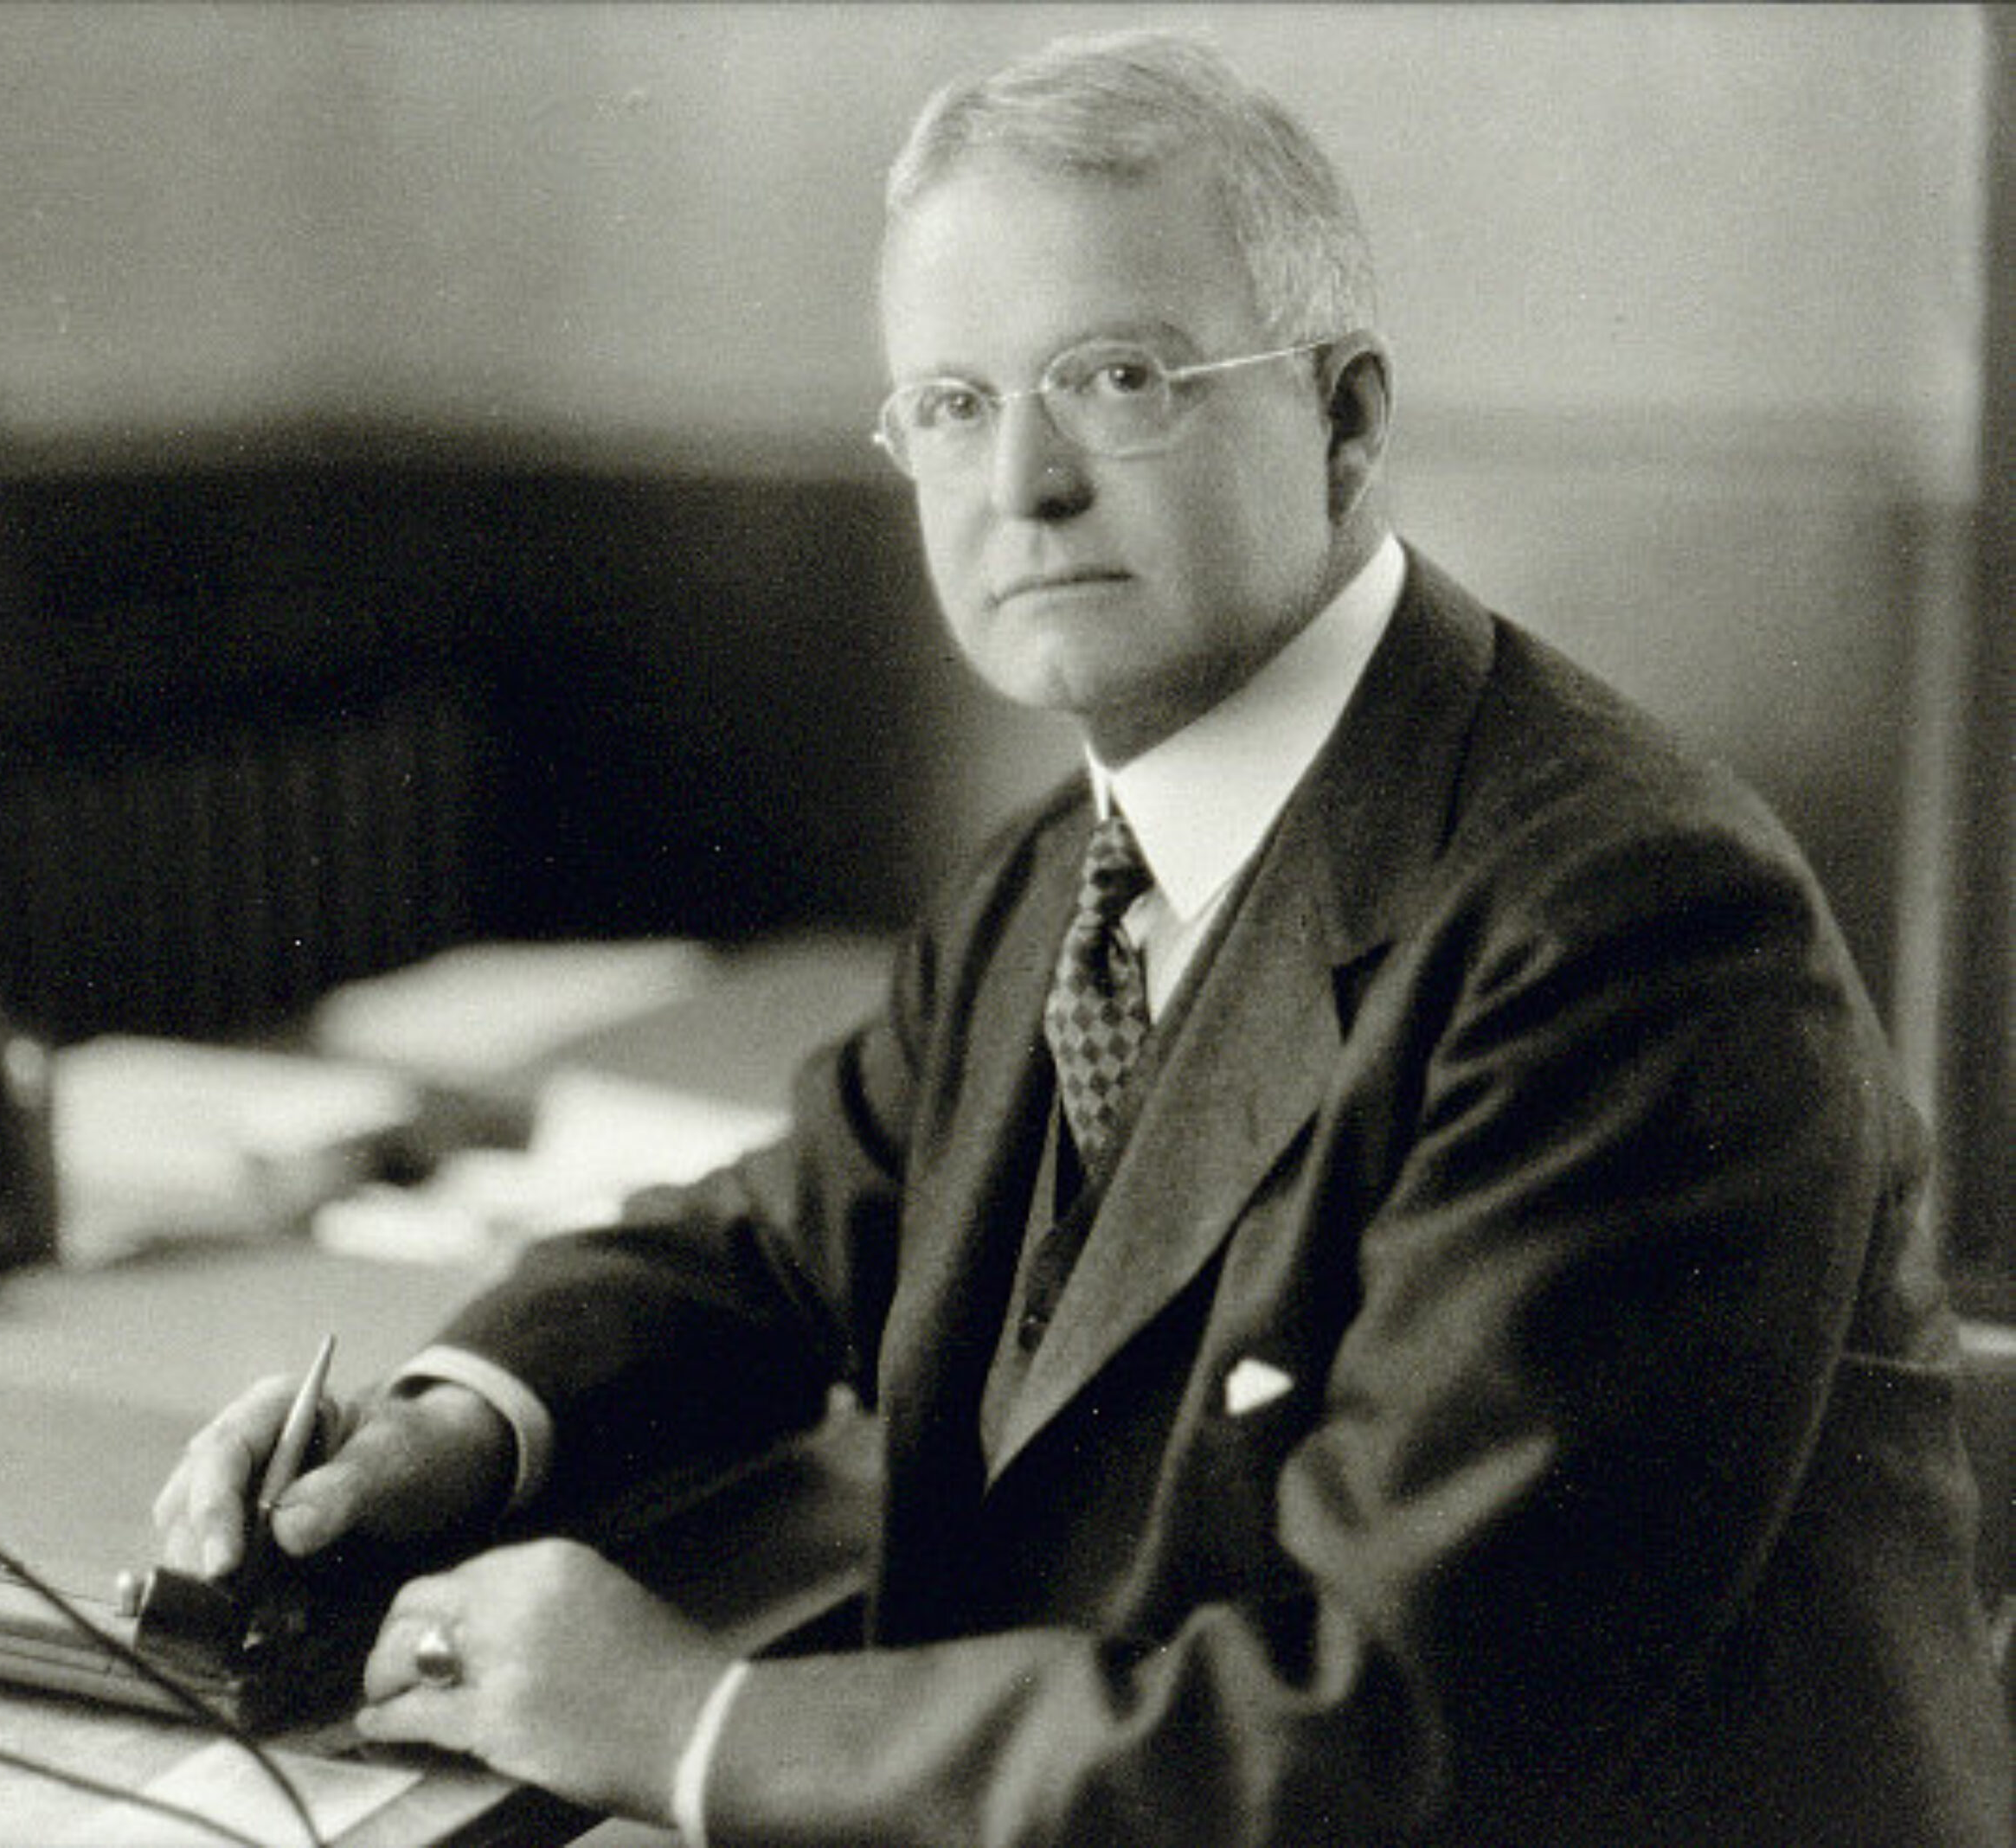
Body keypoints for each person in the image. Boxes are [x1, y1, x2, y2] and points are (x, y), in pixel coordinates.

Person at [155, 30, 2012, 1847]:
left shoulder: (1628, 921)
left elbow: (1386, 1737)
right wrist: (453, 1427)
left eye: (1116, 379)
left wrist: (696, 1724)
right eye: (950, 407)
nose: (1018, 482)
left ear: (1345, 419)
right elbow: (782, 1237)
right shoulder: (1070, 865)